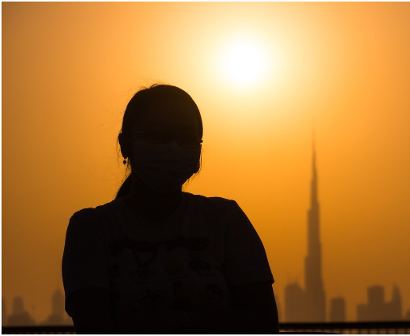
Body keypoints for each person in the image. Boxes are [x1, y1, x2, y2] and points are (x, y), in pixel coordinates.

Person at [62, 84, 279, 333]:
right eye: (158, 135)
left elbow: (264, 324)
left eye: (185, 138)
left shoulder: (226, 219)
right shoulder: (91, 229)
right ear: (125, 145)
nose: (173, 146)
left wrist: (168, 322)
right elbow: (94, 328)